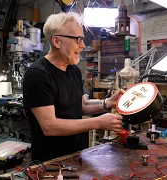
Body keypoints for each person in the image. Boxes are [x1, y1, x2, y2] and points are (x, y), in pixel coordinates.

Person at [23, 12, 123, 161]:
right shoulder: (37, 74)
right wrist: (98, 122)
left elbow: (79, 106)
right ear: (56, 41)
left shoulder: (73, 70)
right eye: (78, 39)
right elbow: (50, 126)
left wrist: (107, 103)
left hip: (76, 156)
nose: (83, 45)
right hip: (49, 162)